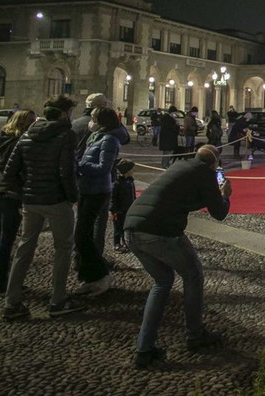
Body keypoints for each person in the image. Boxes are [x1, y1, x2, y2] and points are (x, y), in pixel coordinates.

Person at [125, 144, 231, 369]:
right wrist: (225, 195)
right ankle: (195, 335)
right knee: (193, 275)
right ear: (213, 164)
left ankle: (144, 349)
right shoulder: (206, 173)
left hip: (131, 227)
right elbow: (219, 212)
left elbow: (181, 198)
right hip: (160, 231)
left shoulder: (180, 166)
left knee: (162, 282)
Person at [1, 94, 85, 320]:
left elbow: (9, 171)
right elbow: (66, 171)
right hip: (57, 201)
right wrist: (72, 196)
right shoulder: (66, 135)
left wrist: (26, 191)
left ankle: (12, 302)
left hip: (31, 201)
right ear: (65, 113)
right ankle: (57, 300)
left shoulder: (28, 133)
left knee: (24, 248)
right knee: (63, 249)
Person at [0, 109, 36, 294]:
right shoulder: (20, 142)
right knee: (7, 239)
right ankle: (3, 283)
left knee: (1, 235)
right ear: (25, 123)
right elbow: (19, 169)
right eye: (32, 121)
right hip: (10, 193)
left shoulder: (4, 138)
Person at [73, 106, 123, 297]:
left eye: (93, 118)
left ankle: (100, 273)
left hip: (97, 191)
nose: (90, 122)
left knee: (82, 236)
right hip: (86, 189)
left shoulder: (109, 139)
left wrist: (81, 165)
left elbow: (104, 168)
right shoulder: (95, 137)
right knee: (82, 235)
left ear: (102, 121)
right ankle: (90, 276)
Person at [111, 159, 137, 252]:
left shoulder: (130, 181)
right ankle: (117, 243)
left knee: (126, 226)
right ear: (127, 171)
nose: (133, 171)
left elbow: (133, 194)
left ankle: (125, 242)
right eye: (132, 169)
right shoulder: (117, 183)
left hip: (128, 208)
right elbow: (113, 198)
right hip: (119, 209)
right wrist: (114, 210)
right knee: (118, 227)